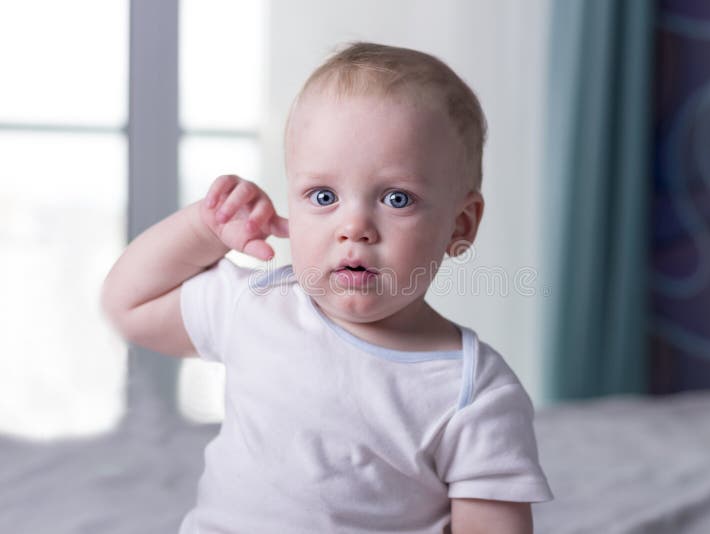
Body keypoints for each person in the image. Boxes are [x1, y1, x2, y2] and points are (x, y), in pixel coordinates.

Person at [101, 41, 553, 534]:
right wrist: (203, 230)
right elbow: (127, 305)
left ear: (460, 225)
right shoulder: (258, 304)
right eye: (323, 196)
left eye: (397, 198)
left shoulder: (472, 389)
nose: (354, 226)